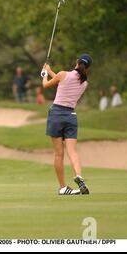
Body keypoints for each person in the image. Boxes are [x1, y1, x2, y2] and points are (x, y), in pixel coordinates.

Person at [42, 54, 92, 196]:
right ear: (87, 67)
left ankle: (63, 187)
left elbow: (46, 85)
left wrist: (44, 74)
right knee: (73, 151)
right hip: (71, 116)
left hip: (56, 114)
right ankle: (79, 175)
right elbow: (61, 80)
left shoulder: (63, 74)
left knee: (59, 154)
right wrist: (50, 71)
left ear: (77, 62)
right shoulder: (84, 83)